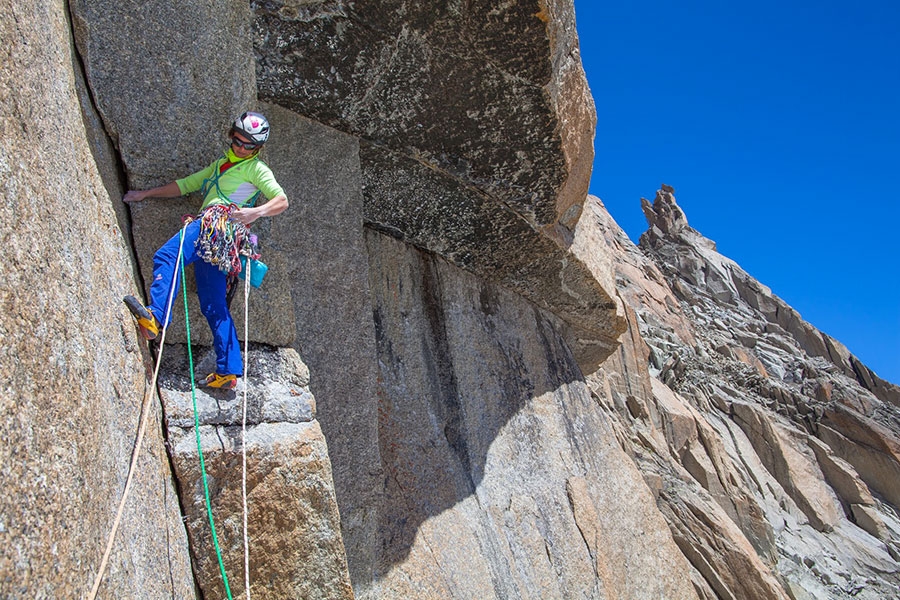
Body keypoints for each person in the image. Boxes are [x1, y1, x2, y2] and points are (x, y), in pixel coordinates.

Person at [123, 111, 288, 389]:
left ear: (257, 148)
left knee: (167, 256)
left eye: (249, 145)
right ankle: (228, 370)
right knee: (213, 303)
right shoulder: (221, 165)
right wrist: (144, 194)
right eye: (238, 141)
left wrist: (254, 213)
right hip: (222, 239)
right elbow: (185, 185)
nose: (242, 148)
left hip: (215, 224)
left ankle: (156, 316)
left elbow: (281, 200)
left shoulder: (257, 169)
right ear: (232, 137)